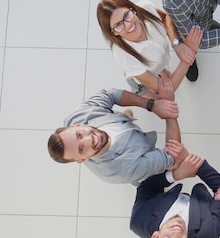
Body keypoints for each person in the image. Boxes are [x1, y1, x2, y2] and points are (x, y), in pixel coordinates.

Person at [47, 76, 183, 186]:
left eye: (80, 135)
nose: (90, 140)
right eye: (81, 149)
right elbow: (172, 157)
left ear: (77, 125)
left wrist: (151, 105)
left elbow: (110, 94)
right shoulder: (122, 170)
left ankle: (124, 119)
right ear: (82, 160)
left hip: (130, 150)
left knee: (123, 118)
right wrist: (169, 109)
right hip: (136, 167)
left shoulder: (77, 116)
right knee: (154, 173)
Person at [97, 0, 202, 94]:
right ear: (113, 32)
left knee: (159, 68)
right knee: (156, 97)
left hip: (157, 62)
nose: (128, 25)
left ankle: (161, 71)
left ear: (132, 9)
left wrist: (176, 43)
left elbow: (165, 17)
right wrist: (189, 52)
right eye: (118, 25)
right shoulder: (125, 59)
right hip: (141, 81)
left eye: (126, 15)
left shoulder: (145, 8)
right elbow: (170, 89)